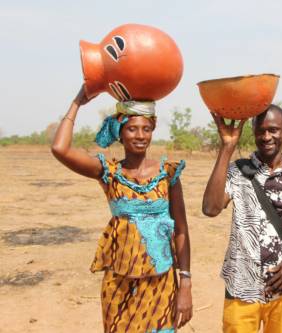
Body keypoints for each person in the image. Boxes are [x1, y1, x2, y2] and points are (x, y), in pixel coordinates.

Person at [51, 86, 192, 333]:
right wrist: (77, 102)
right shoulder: (109, 172)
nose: (140, 135)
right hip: (119, 286)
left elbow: (181, 230)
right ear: (120, 132)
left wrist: (186, 283)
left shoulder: (167, 174)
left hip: (161, 283)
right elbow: (60, 149)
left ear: (153, 131)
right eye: (132, 128)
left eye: (146, 129)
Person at [202, 104, 282, 333]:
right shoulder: (237, 171)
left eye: (274, 130)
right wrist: (227, 147)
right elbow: (210, 208)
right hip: (241, 285)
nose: (266, 137)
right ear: (253, 132)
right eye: (260, 131)